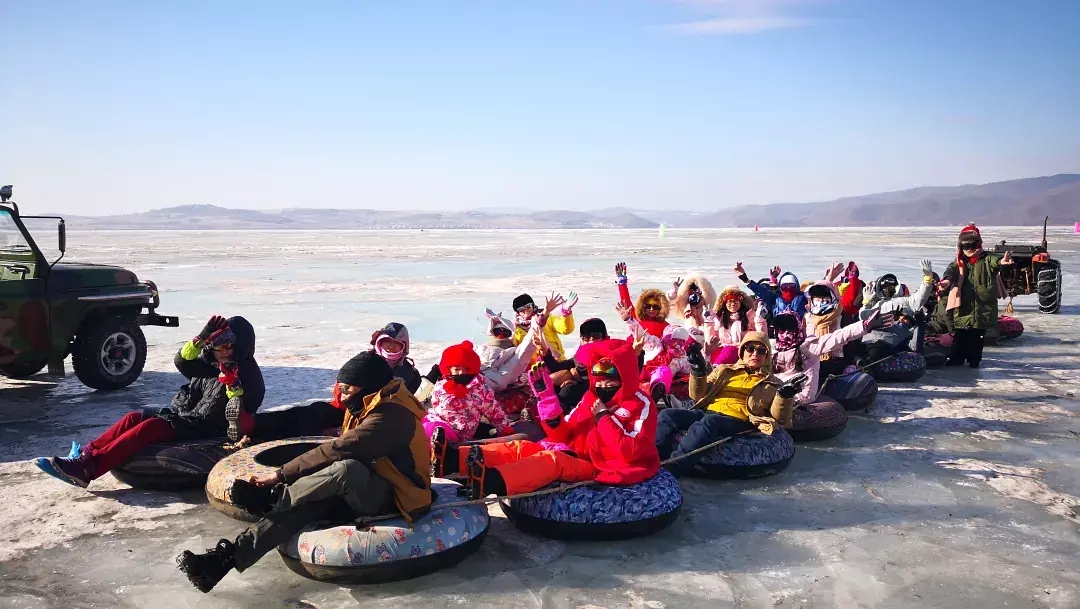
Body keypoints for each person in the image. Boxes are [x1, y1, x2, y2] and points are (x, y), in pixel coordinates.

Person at [177, 352, 431, 593]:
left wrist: (279, 477)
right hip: (370, 484)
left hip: (400, 498)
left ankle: (274, 499)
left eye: (347, 390)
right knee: (303, 506)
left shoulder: (391, 416)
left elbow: (339, 449)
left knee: (346, 469)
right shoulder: (367, 404)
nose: (341, 398)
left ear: (368, 387)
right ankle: (224, 561)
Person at [35, 316, 264, 488]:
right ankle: (86, 454)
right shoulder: (210, 365)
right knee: (134, 417)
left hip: (206, 427)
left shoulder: (245, 373)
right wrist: (198, 340)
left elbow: (247, 408)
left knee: (151, 427)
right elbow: (182, 362)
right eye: (215, 347)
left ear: (240, 347)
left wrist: (233, 388)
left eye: (226, 347)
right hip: (186, 415)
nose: (221, 352)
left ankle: (88, 470)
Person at [431, 341, 660, 498]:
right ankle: (450, 460)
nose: (602, 387)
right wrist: (547, 398)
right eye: (598, 381)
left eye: (609, 382)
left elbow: (630, 451)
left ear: (625, 377)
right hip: (576, 453)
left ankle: (489, 482)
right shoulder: (590, 398)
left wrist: (603, 417)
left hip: (606, 468)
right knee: (522, 447)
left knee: (552, 461)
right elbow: (563, 434)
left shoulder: (641, 405)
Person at [655, 332, 804, 477]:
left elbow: (781, 419)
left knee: (709, 422)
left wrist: (784, 396)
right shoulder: (724, 371)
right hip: (708, 411)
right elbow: (698, 395)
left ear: (767, 356)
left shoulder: (774, 383)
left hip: (739, 419)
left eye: (761, 351)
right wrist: (698, 371)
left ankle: (675, 466)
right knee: (668, 414)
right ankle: (655, 456)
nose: (755, 354)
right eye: (750, 349)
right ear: (742, 352)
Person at [772, 311, 891, 404]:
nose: (786, 334)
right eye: (781, 329)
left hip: (800, 398)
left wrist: (864, 326)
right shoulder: (773, 348)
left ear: (798, 329)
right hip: (776, 393)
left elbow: (839, 336)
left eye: (790, 329)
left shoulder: (809, 348)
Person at [942, 224, 1014, 368]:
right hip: (964, 306)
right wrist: (946, 280)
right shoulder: (959, 262)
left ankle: (974, 361)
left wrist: (1002, 262)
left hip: (983, 306)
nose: (969, 249)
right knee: (961, 334)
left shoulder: (986, 259)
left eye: (972, 245)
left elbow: (995, 261)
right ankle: (956, 359)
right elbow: (951, 271)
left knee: (977, 336)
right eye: (965, 245)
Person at [426, 341, 515, 443]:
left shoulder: (480, 390)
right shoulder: (441, 386)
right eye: (457, 369)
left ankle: (436, 447)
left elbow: (493, 410)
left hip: (458, 429)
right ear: (449, 369)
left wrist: (504, 427)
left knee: (435, 432)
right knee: (422, 427)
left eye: (466, 369)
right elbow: (435, 403)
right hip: (435, 419)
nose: (461, 373)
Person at [857, 260, 935, 365]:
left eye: (891, 287)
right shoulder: (878, 304)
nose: (887, 290)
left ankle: (868, 363)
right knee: (856, 346)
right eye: (885, 288)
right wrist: (866, 304)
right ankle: (858, 361)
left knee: (879, 348)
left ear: (897, 287)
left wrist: (927, 281)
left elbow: (920, 298)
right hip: (872, 337)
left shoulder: (906, 301)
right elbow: (864, 318)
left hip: (892, 338)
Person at [707, 285, 765, 365]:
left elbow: (761, 336)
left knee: (730, 350)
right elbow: (712, 338)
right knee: (715, 352)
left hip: (743, 350)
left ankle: (716, 368)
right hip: (723, 350)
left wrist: (760, 319)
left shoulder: (749, 316)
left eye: (735, 301)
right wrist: (708, 322)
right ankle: (709, 369)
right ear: (725, 304)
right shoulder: (720, 318)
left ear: (741, 302)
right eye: (730, 301)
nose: (733, 304)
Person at [512, 292, 577, 361]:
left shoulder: (547, 317)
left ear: (533, 306)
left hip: (556, 360)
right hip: (534, 367)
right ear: (517, 312)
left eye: (528, 306)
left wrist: (566, 313)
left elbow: (565, 330)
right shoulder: (517, 330)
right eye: (521, 309)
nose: (526, 311)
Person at [734, 262, 808, 320]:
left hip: (800, 333)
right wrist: (744, 278)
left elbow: (816, 293)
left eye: (791, 286)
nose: (788, 288)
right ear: (781, 288)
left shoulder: (803, 297)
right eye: (785, 286)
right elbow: (760, 291)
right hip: (780, 332)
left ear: (797, 286)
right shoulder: (775, 298)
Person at [615, 262, 670, 339]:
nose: (651, 309)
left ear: (662, 308)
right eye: (648, 306)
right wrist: (622, 284)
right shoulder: (637, 318)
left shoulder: (666, 327)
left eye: (656, 307)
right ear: (642, 307)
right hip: (635, 349)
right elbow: (626, 301)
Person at [370, 322, 423, 394]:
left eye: (396, 343)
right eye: (387, 341)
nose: (391, 346)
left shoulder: (410, 374)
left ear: (404, 346)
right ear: (379, 342)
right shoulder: (364, 362)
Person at [670, 275, 717, 343]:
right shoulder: (686, 309)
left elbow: (716, 329)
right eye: (690, 292)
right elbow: (670, 307)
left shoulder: (709, 310)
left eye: (698, 291)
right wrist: (675, 293)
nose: (694, 295)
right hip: (689, 341)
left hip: (706, 341)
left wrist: (701, 331)